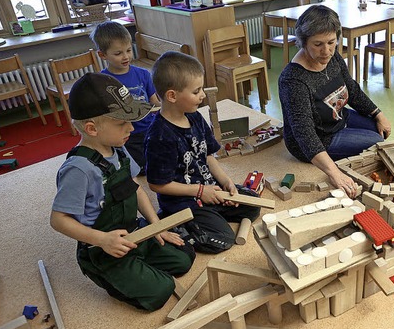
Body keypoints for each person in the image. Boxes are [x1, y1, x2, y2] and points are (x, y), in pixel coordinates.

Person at [50, 73, 193, 311]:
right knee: (161, 292)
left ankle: (138, 264)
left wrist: (157, 226)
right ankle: (111, 275)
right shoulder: (78, 169)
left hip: (132, 233)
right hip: (102, 248)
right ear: (91, 128)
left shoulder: (118, 148)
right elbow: (58, 220)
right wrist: (103, 240)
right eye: (121, 123)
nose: (131, 128)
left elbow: (134, 188)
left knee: (184, 257)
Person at [145, 51, 260, 254]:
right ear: (172, 96)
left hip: (208, 189)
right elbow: (157, 184)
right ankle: (174, 221)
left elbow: (208, 155)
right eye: (197, 91)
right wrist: (199, 192)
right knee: (221, 240)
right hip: (183, 200)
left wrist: (226, 182)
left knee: (252, 206)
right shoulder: (160, 136)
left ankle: (211, 213)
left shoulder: (195, 116)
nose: (203, 95)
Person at [278, 4, 392, 199]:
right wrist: (334, 173)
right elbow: (304, 134)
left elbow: (352, 90)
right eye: (318, 44)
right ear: (303, 42)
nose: (326, 51)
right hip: (319, 137)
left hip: (337, 117)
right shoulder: (293, 81)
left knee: (379, 129)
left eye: (332, 42)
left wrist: (378, 114)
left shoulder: (332, 56)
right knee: (377, 142)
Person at [90, 21, 160, 173]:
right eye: (118, 53)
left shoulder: (143, 74)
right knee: (138, 168)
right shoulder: (101, 81)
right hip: (124, 135)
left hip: (149, 128)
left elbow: (154, 102)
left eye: (128, 50)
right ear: (102, 55)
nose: (126, 56)